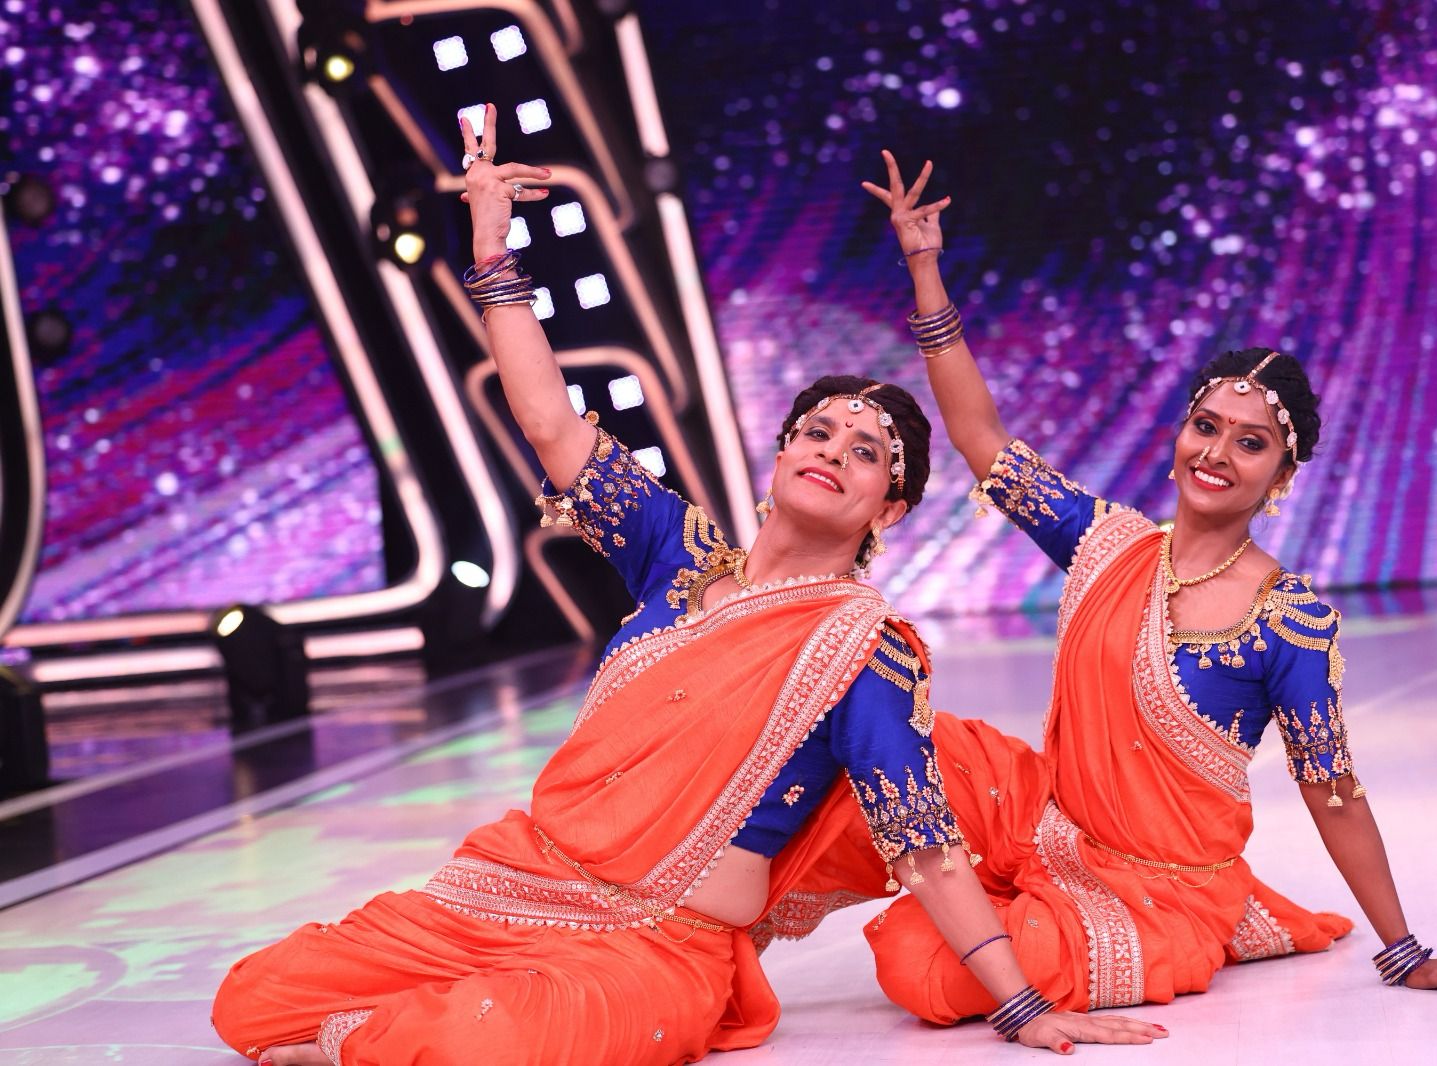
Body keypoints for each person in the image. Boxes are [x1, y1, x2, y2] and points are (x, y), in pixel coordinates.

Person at [207, 111, 1169, 1065]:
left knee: (480, 1038)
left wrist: (1020, 1007)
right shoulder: (678, 554)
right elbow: (550, 424)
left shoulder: (862, 649)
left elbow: (923, 843)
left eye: (866, 453)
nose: (833, 452)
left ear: (890, 506)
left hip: (657, 945)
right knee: (255, 997)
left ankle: (386, 1044)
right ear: (781, 453)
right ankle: (392, 1035)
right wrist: (493, 251)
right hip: (518, 889)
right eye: (818, 432)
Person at [769, 151, 1437, 1025]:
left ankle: (1060, 918)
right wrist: (924, 267)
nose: (1216, 453)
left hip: (1161, 893)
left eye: (1251, 443)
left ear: (1282, 475)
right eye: (1206, 426)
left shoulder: (1290, 620)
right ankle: (714, 912)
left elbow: (1334, 792)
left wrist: (1404, 951)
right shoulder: (1108, 543)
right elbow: (981, 437)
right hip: (1049, 824)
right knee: (877, 739)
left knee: (923, 963)